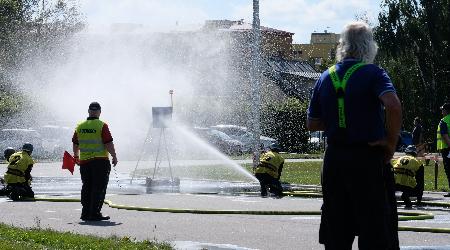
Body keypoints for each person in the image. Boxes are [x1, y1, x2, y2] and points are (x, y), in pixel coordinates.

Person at [307, 21, 402, 249]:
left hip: (334, 160)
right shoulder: (373, 73)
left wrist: (340, 121)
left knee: (336, 231)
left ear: (343, 46)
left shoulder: (325, 76)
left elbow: (311, 123)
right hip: (366, 158)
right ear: (369, 46)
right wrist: (389, 143)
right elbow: (393, 106)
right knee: (376, 230)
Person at [72, 102, 118, 221]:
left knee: (87, 187)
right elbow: (108, 143)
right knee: (98, 187)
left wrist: (76, 156)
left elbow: (75, 143)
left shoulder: (80, 126)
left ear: (88, 111)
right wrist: (114, 156)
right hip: (100, 161)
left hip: (84, 162)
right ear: (99, 112)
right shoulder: (102, 125)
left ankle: (85, 213)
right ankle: (95, 213)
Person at [437, 103, 450, 197]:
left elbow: (444, 136)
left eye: (442, 110)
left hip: (447, 149)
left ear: (446, 110)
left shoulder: (444, 121)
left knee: (449, 169)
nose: (441, 111)